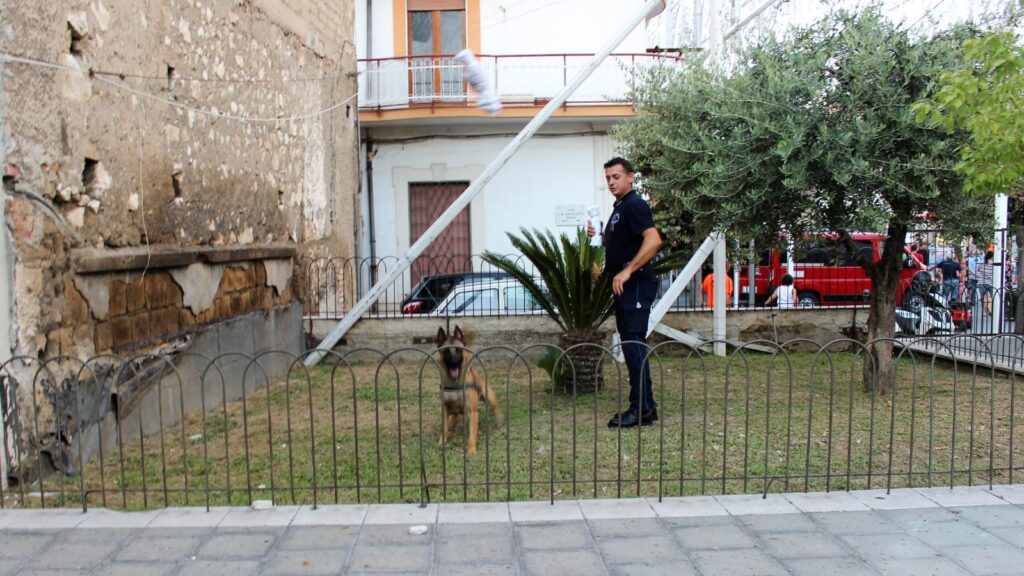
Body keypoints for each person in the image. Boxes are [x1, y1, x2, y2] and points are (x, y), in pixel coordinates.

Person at [586, 157, 662, 428]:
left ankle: (640, 410)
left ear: (631, 177)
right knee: (633, 345)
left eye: (616, 177)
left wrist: (627, 270)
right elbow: (621, 244)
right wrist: (600, 235)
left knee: (633, 345)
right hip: (626, 287)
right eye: (608, 178)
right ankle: (646, 407)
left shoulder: (634, 205)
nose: (611, 182)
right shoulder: (620, 208)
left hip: (636, 284)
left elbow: (654, 240)